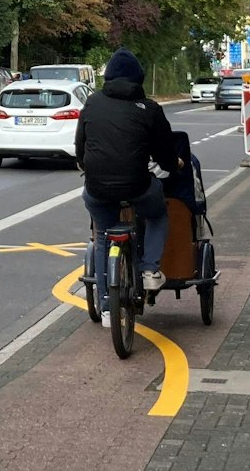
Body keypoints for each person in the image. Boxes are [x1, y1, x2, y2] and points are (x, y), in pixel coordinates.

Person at [75, 48, 182, 325]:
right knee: (157, 214)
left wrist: (87, 167)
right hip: (137, 186)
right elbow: (165, 155)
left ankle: (107, 306)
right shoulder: (149, 109)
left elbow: (79, 148)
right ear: (139, 78)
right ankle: (149, 270)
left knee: (102, 236)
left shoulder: (92, 103)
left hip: (97, 189)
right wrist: (173, 166)